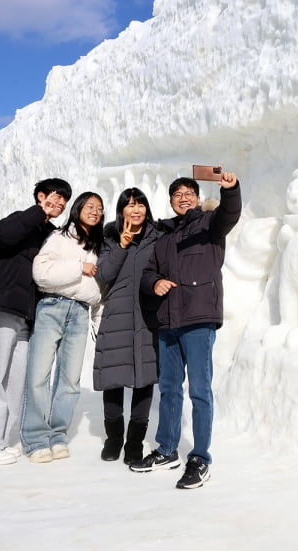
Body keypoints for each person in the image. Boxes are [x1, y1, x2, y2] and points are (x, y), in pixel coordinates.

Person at [131, 172, 242, 489]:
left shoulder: (210, 224)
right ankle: (166, 450)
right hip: (168, 321)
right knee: (169, 388)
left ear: (196, 198)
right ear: (170, 201)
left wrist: (230, 189)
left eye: (188, 193)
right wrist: (154, 283)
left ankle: (201, 458)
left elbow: (230, 212)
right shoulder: (163, 239)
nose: (183, 198)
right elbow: (147, 274)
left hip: (198, 318)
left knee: (199, 390)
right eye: (176, 194)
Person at [0, 177, 71, 465]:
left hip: (27, 315)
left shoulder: (51, 234)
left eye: (64, 199)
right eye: (54, 196)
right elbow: (3, 235)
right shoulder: (21, 220)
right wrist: (39, 212)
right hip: (0, 304)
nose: (59, 203)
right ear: (40, 196)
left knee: (16, 381)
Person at [21, 191, 105, 463]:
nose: (95, 211)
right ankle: (35, 438)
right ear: (78, 208)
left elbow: (100, 290)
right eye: (90, 206)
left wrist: (98, 323)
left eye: (100, 208)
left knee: (70, 380)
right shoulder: (59, 238)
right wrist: (79, 267)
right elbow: (41, 274)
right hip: (52, 308)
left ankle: (57, 434)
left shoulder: (100, 246)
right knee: (39, 375)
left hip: (81, 312)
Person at [93, 188, 166, 465]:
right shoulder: (110, 237)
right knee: (113, 377)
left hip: (148, 316)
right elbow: (104, 274)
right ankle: (114, 439)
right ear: (121, 210)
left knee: (144, 378)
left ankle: (134, 440)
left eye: (140, 205)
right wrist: (122, 245)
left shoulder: (157, 237)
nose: (136, 211)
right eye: (130, 205)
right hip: (117, 316)